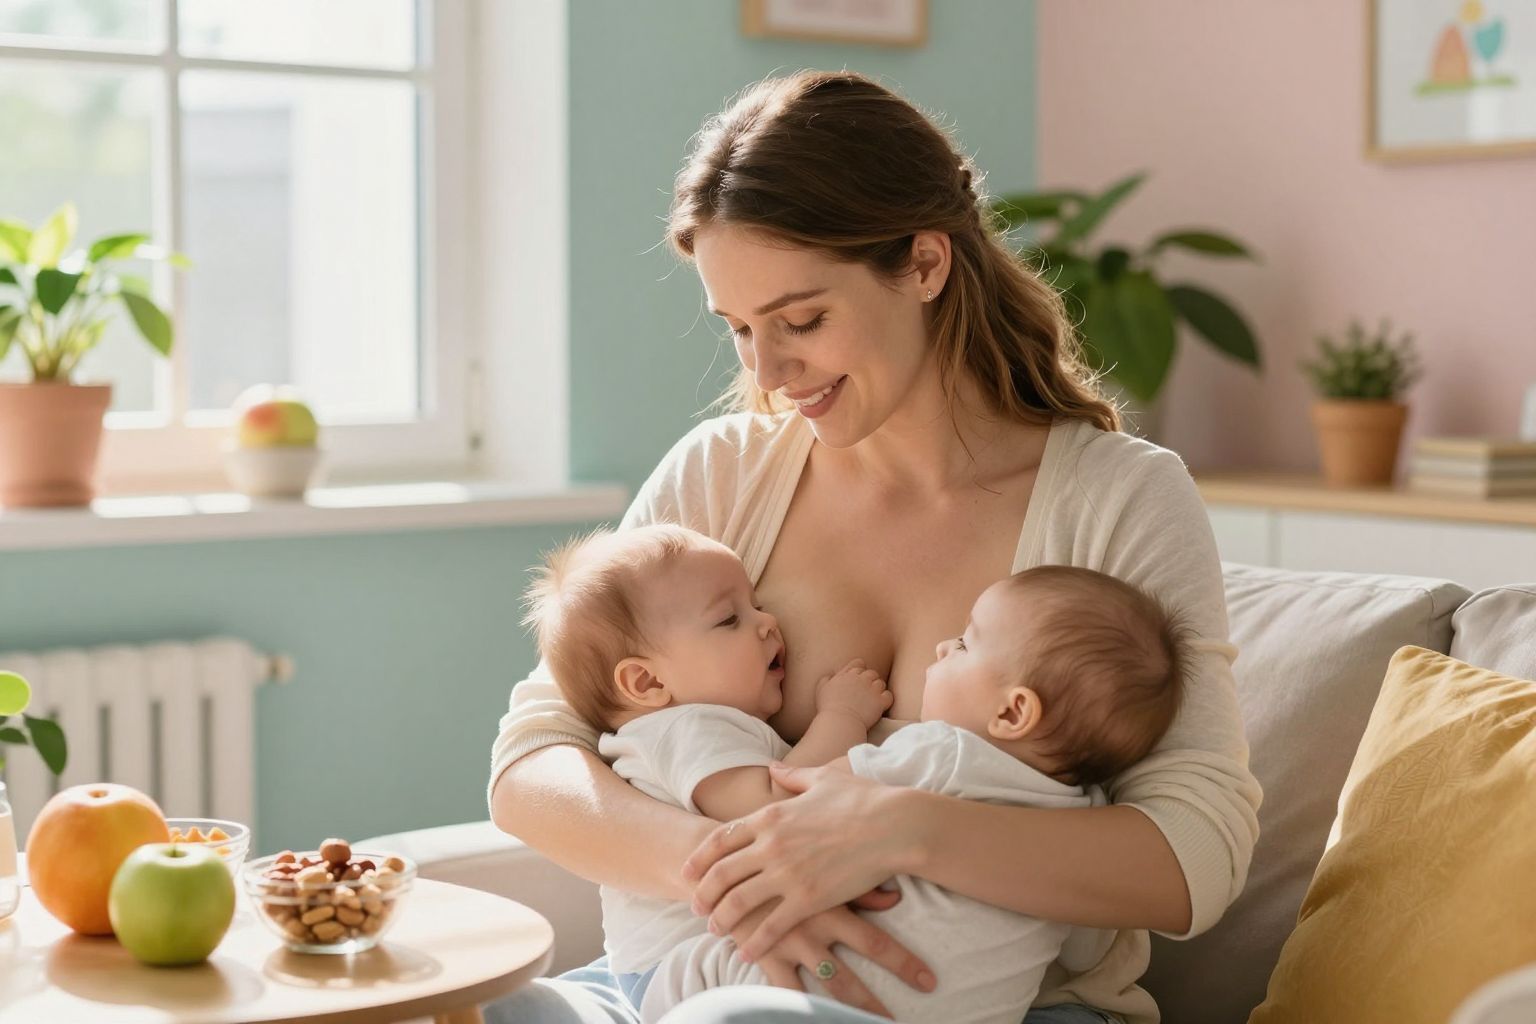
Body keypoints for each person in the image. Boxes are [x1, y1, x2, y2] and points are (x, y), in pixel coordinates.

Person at [486, 68, 1261, 1024]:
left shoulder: (1120, 497)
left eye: (802, 321)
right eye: (739, 330)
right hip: (710, 975)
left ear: (926, 264)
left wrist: (900, 830)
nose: (768, 372)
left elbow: (1199, 852)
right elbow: (533, 763)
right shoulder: (723, 477)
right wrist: (742, 876)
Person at [625, 564, 1192, 1024]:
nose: (945, 645)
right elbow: (1086, 954)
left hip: (819, 996)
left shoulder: (938, 753)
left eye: (966, 645)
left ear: (1012, 711)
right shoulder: (1087, 823)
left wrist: (842, 716)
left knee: (691, 983)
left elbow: (794, 808)